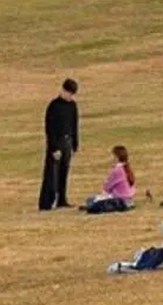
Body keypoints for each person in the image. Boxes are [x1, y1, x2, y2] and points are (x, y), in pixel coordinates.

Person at [38, 78, 80, 210]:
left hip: (67, 141)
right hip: (56, 143)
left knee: (64, 171)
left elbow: (74, 125)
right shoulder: (54, 106)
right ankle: (46, 202)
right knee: (52, 173)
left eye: (72, 94)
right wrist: (54, 148)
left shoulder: (72, 106)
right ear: (62, 90)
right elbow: (50, 129)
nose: (70, 96)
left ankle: (62, 199)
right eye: (68, 93)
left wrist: (75, 144)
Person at [82, 145, 137, 213]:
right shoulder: (127, 168)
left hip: (120, 198)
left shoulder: (117, 170)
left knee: (91, 199)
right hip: (129, 199)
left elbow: (107, 188)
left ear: (116, 157)